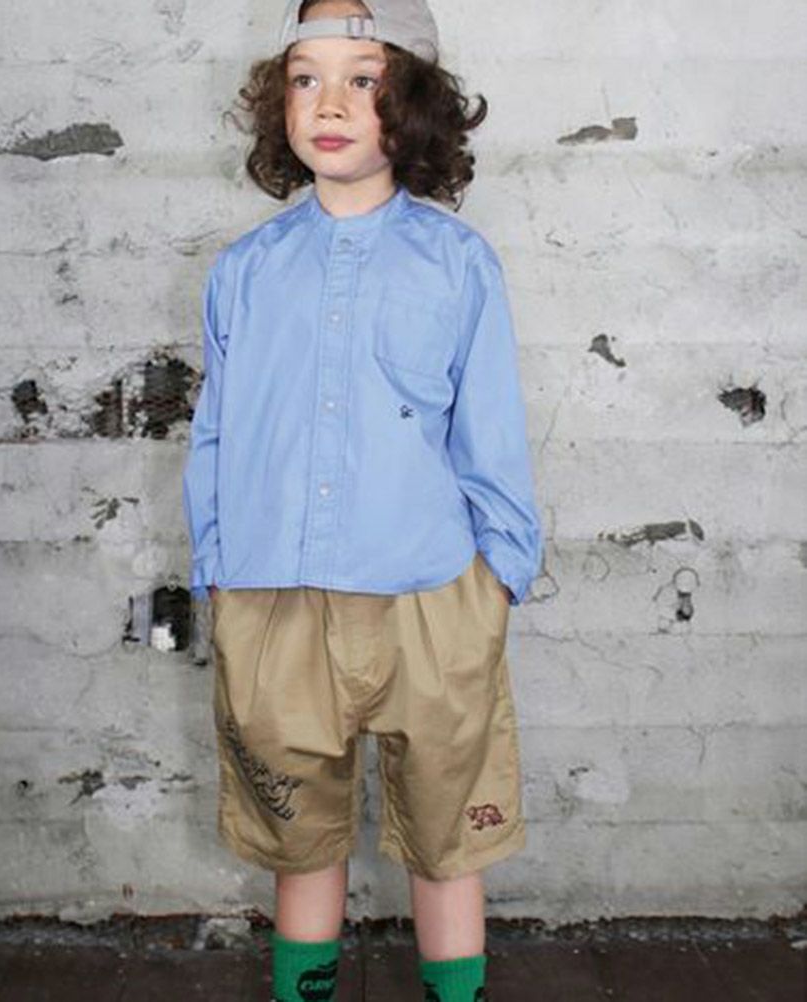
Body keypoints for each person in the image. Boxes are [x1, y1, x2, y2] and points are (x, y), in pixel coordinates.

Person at [181, 2, 543, 998]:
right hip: (276, 598)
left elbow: (490, 429)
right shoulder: (246, 271)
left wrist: (498, 581)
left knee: (446, 845)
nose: (330, 104)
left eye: (363, 79)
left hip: (433, 597)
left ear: (413, 102)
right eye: (306, 78)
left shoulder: (457, 262)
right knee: (300, 843)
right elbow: (216, 433)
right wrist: (219, 571)